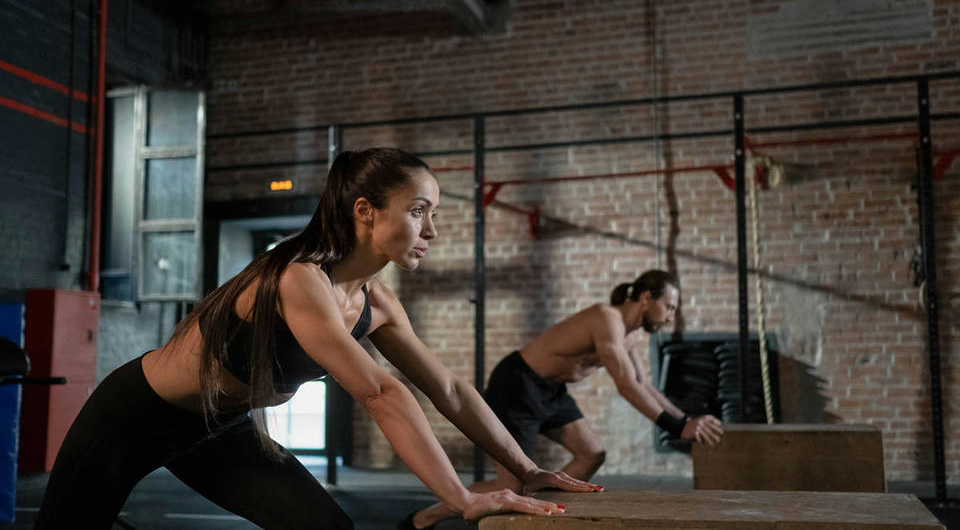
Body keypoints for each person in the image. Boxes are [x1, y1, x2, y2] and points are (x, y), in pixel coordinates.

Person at [35, 148, 597, 530]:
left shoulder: (378, 305)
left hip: (218, 432)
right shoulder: (299, 278)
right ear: (364, 212)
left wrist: (525, 466)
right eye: (419, 211)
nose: (431, 231)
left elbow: (447, 389)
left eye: (434, 214)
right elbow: (381, 393)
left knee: (324, 526)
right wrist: (462, 498)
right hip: (132, 417)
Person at [409, 270, 724, 530]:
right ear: (645, 298)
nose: (670, 317)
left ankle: (541, 507)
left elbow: (645, 386)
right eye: (668, 307)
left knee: (591, 453)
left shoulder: (628, 336)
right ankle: (427, 517)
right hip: (519, 384)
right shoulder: (607, 319)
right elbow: (627, 386)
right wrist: (676, 426)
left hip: (552, 392)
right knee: (513, 485)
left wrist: (684, 421)